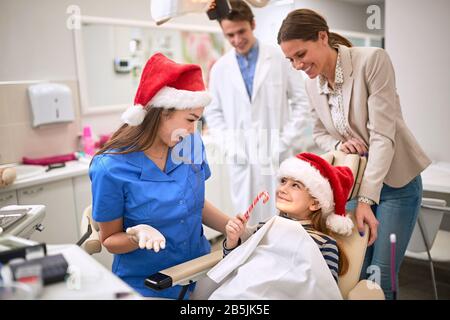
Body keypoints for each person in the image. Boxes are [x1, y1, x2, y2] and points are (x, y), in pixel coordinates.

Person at [277, 9, 431, 299]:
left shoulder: (372, 61)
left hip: (395, 184)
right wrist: (339, 146)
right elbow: (320, 132)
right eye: (291, 60)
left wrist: (365, 200)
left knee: (379, 278)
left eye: (301, 54)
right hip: (357, 183)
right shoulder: (312, 83)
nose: (297, 65)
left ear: (322, 37)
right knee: (354, 273)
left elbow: (383, 137)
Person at [89, 53, 230, 299]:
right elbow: (109, 239)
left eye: (197, 121)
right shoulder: (110, 167)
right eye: (189, 120)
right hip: (148, 285)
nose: (192, 130)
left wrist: (236, 229)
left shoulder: (191, 145)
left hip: (198, 272)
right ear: (162, 112)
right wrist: (135, 236)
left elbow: (196, 204)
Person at [204, 0, 310, 226]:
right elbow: (213, 113)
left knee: (282, 220)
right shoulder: (220, 68)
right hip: (242, 158)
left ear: (252, 24)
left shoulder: (280, 58)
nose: (236, 40)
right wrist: (231, 146)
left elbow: (302, 102)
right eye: (229, 35)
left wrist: (284, 142)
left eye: (241, 31)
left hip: (277, 154)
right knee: (247, 224)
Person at [223, 152, 354, 283]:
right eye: (283, 181)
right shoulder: (265, 228)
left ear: (315, 203)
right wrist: (232, 241)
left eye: (295, 185)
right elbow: (231, 270)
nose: (282, 189)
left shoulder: (324, 244)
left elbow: (325, 292)